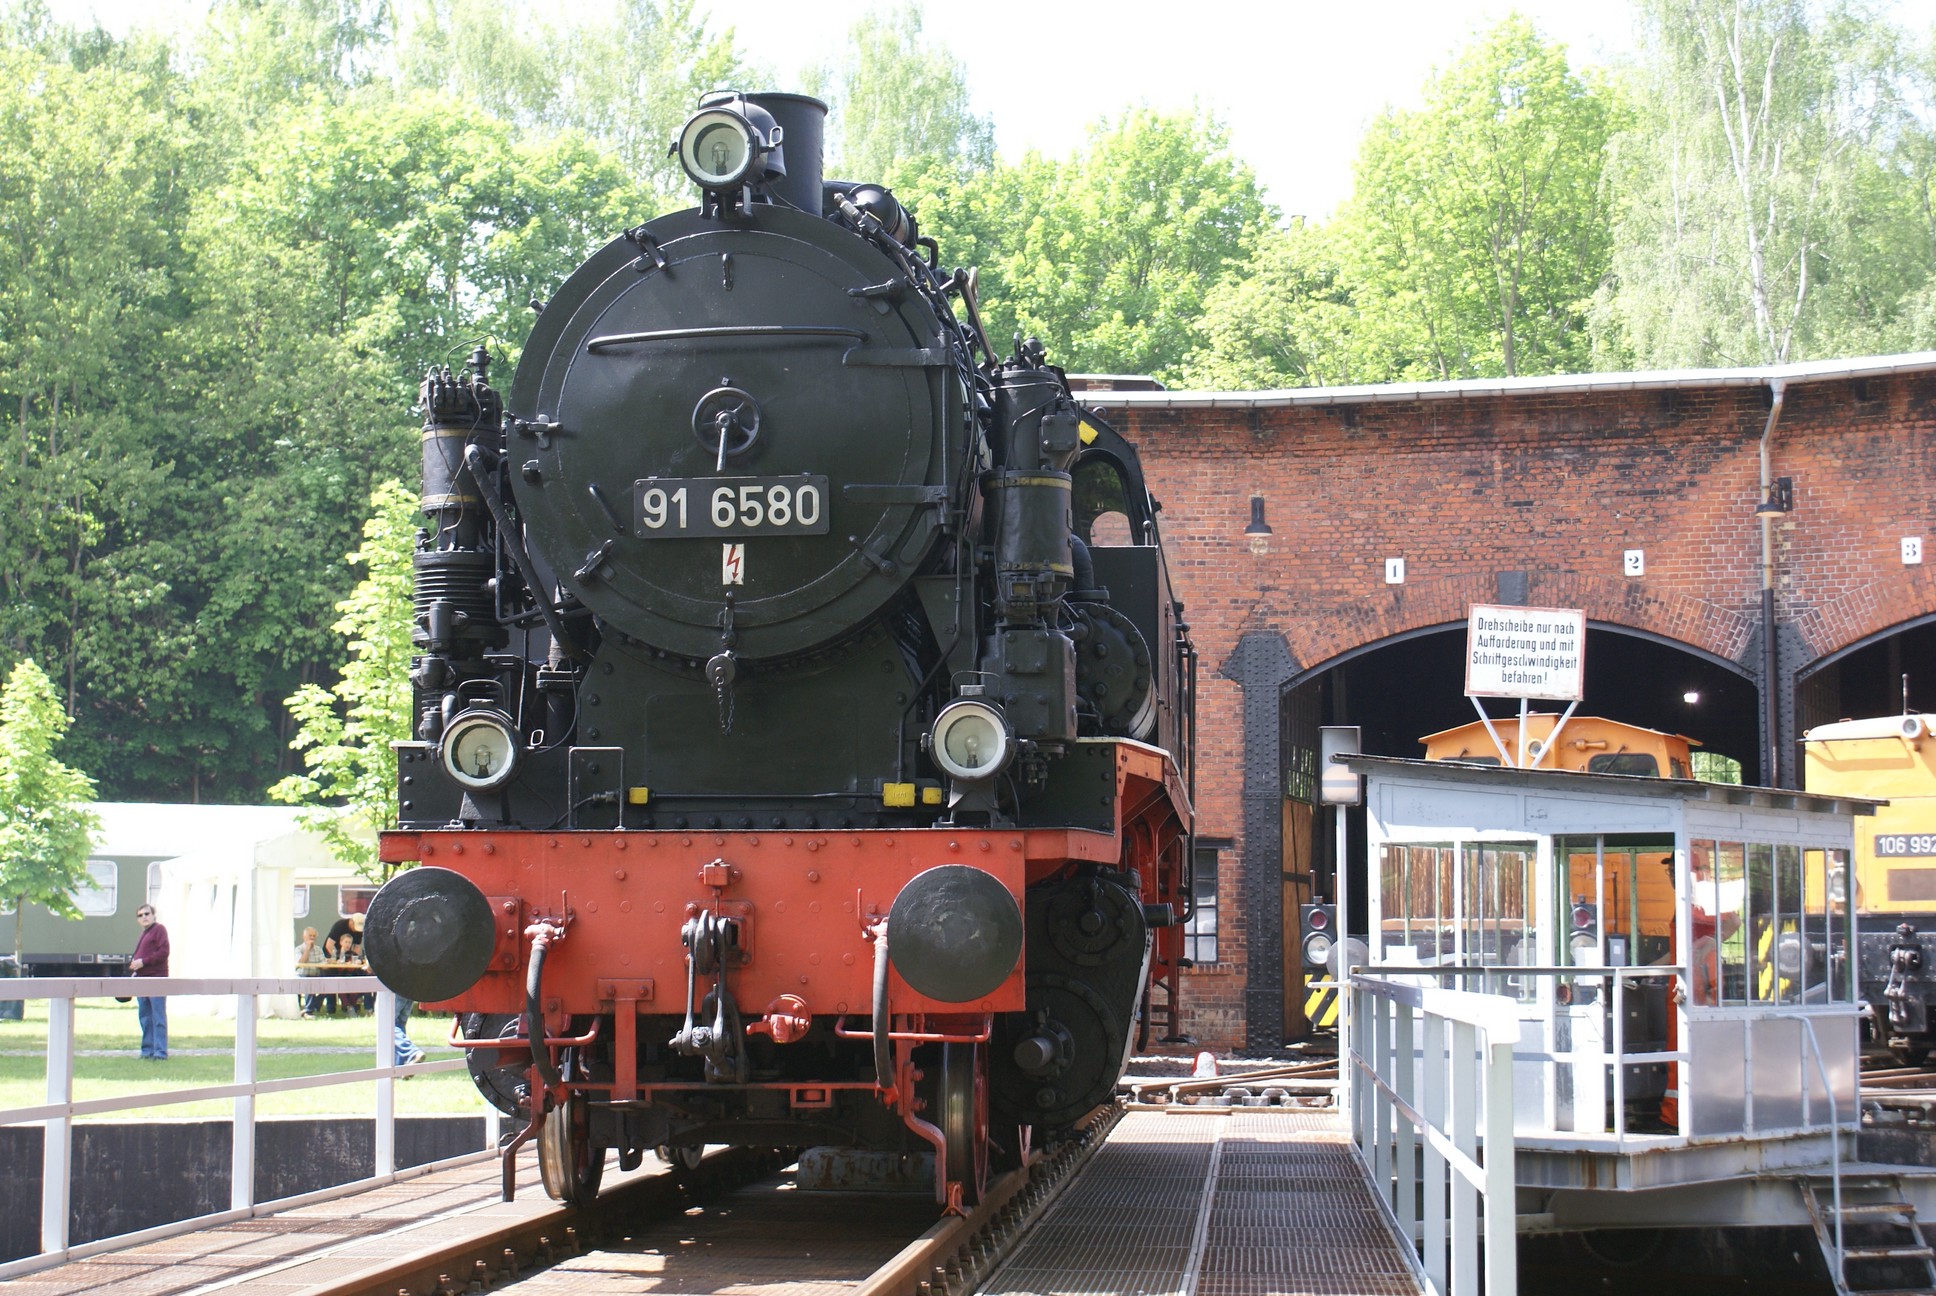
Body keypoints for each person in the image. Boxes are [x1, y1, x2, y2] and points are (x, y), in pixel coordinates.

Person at [129, 903, 170, 1059]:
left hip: (156, 979)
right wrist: (135, 967)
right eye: (140, 915)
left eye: (147, 914)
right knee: (145, 1017)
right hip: (142, 980)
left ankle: (160, 1052)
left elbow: (164, 952)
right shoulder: (144, 934)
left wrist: (143, 962)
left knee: (158, 1017)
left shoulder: (159, 930)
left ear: (154, 915)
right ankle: (147, 1051)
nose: (144, 917)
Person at [295, 927, 325, 1017]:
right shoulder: (299, 949)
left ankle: (314, 1007)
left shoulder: (318, 949)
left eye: (314, 936)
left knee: (328, 984)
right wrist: (307, 949)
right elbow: (300, 963)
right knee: (309, 984)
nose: (312, 938)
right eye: (310, 936)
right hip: (302, 975)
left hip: (315, 974)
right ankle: (308, 1011)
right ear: (304, 937)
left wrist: (328, 962)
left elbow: (323, 963)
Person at [394, 995, 424, 1069]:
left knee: (386, 1024)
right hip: (409, 992)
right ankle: (401, 1068)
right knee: (399, 1025)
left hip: (394, 992)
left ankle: (412, 1052)